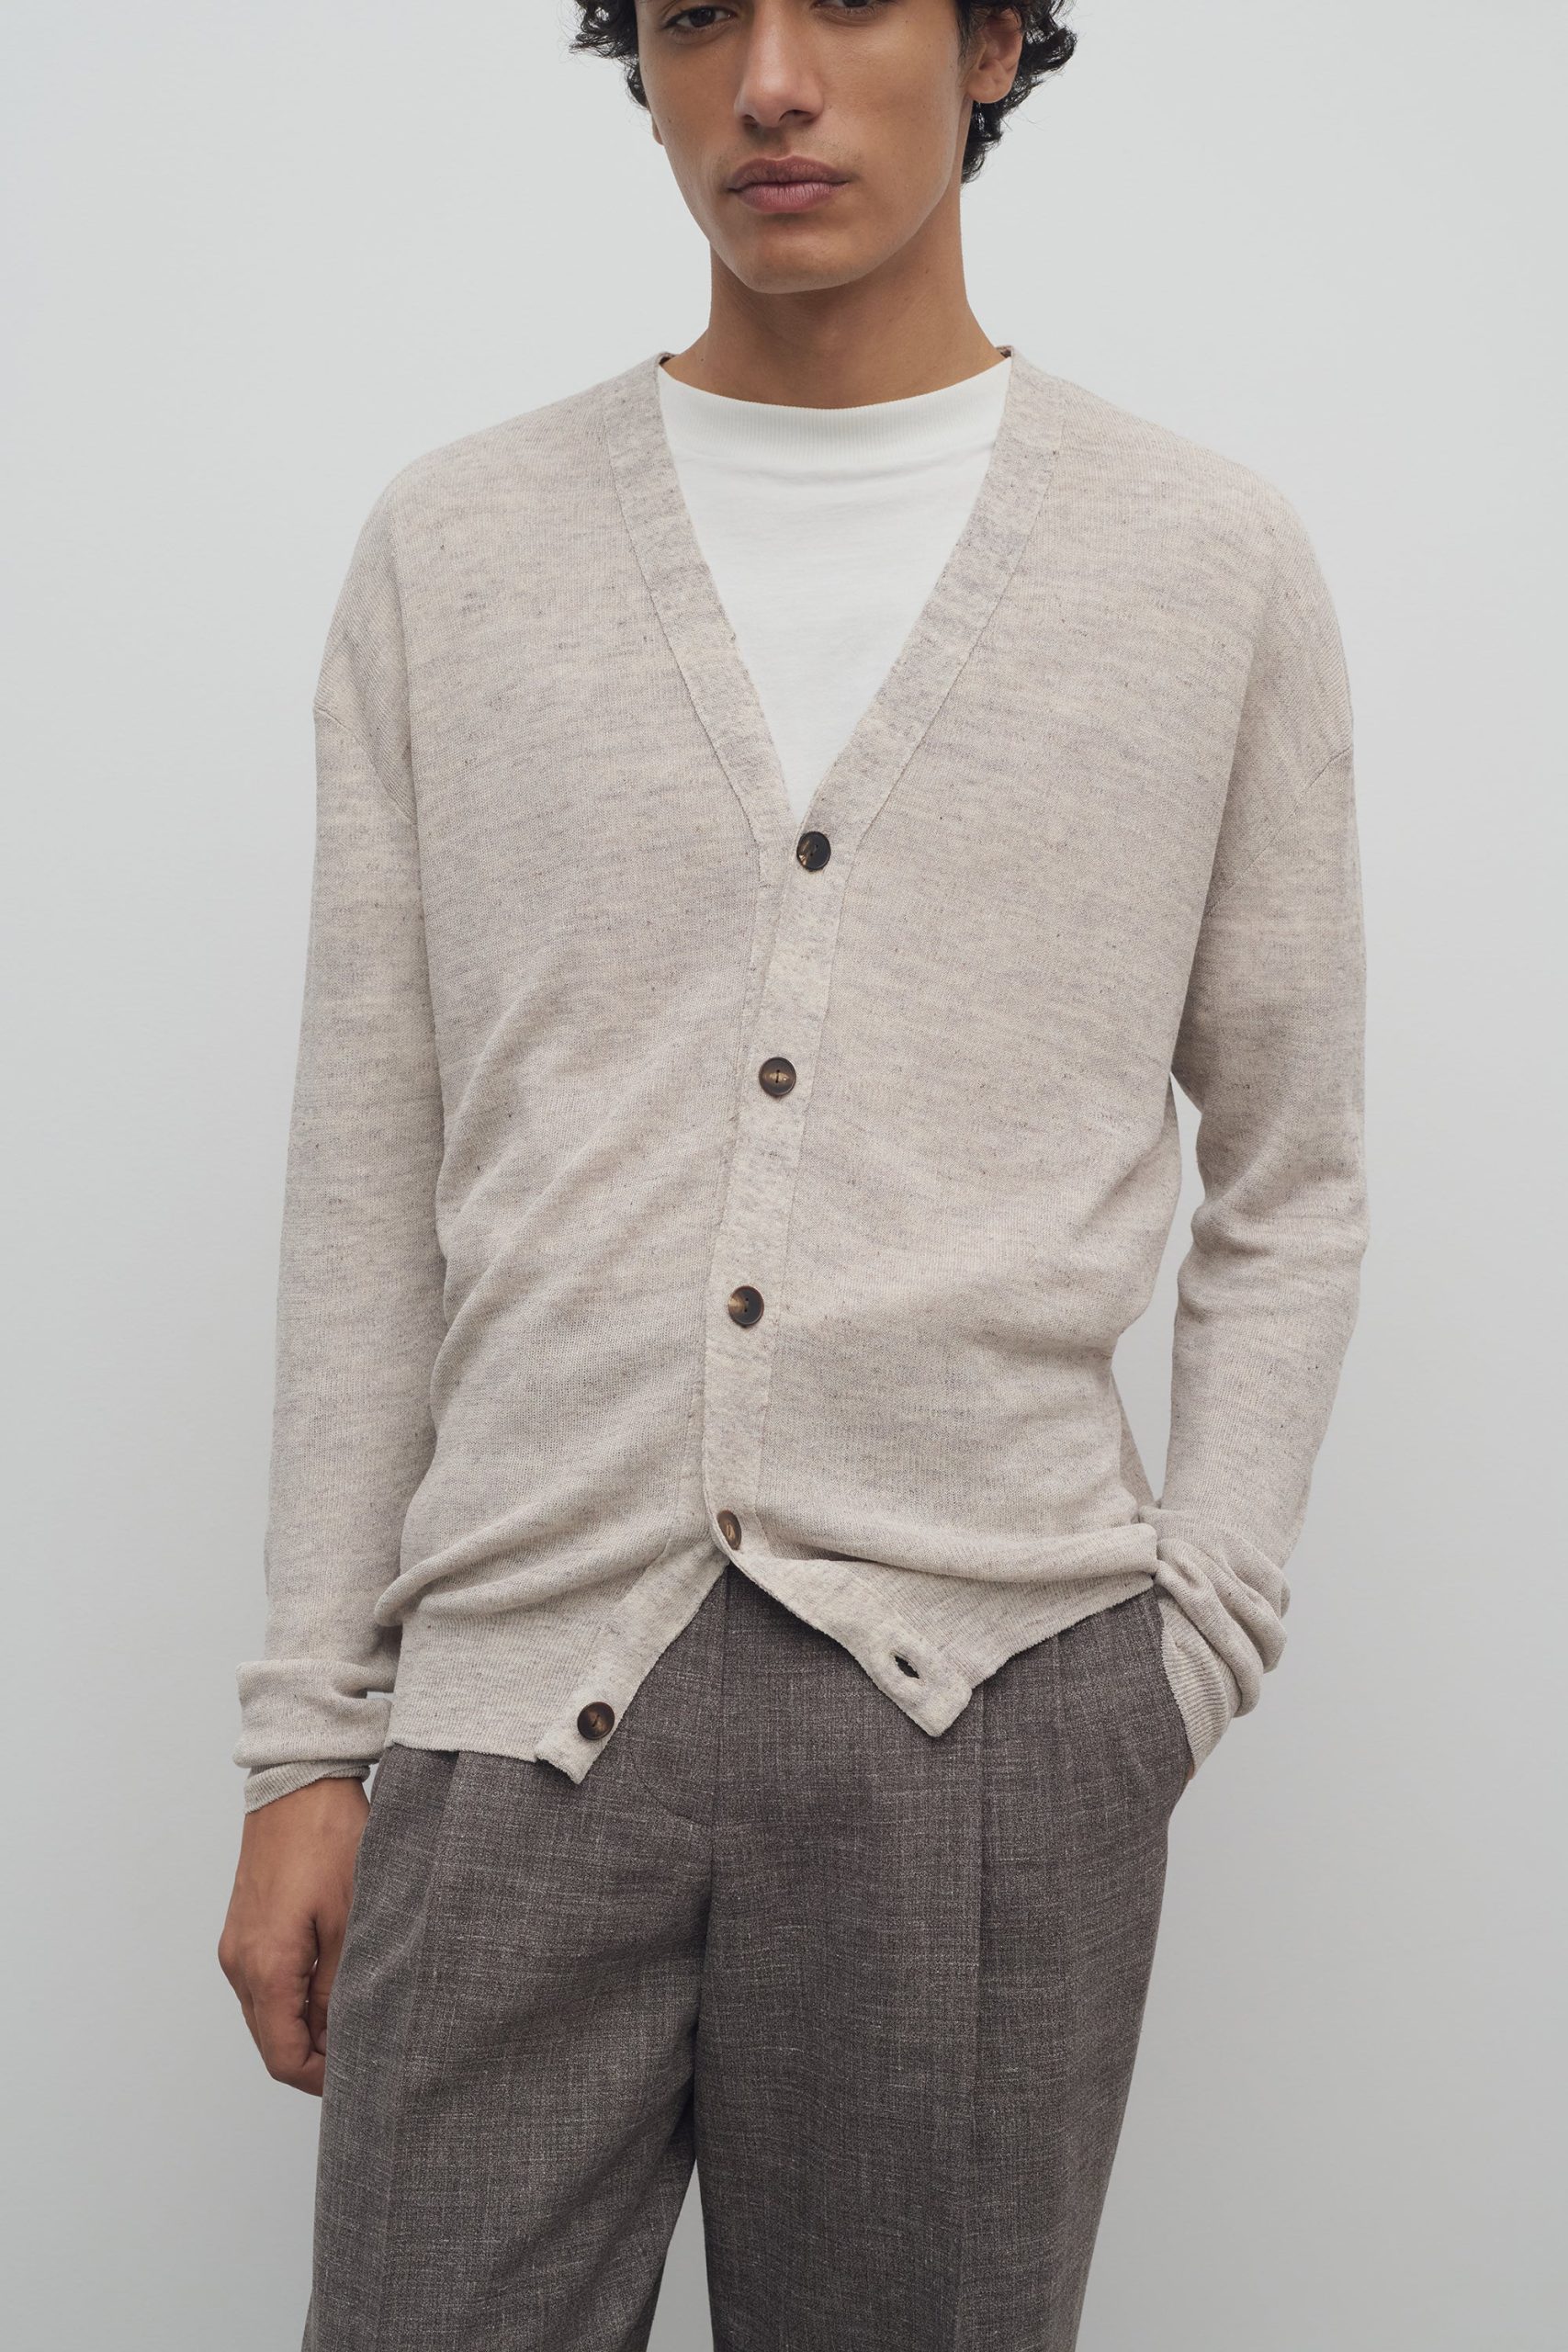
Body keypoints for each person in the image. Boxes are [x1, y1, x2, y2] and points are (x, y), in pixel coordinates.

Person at [218, 5, 1370, 2346]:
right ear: (633, 64)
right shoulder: (456, 550)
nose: (765, 79)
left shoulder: (1200, 560)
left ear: (991, 43)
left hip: (988, 1715)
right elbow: (366, 1167)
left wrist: (1188, 1646)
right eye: (691, 17)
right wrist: (310, 1734)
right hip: (513, 1705)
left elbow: (1291, 1163)